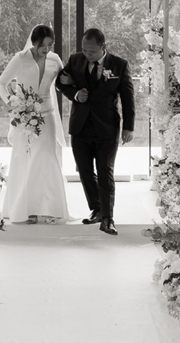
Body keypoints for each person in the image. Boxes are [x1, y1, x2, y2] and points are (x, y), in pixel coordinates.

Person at [56, 27, 134, 236]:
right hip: (80, 127)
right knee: (84, 170)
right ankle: (97, 209)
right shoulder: (75, 60)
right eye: (84, 49)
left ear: (103, 47)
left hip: (107, 128)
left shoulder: (119, 65)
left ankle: (108, 219)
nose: (87, 54)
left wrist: (128, 127)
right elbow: (59, 82)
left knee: (105, 171)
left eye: (91, 51)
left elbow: (128, 98)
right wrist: (75, 94)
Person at [0, 25, 69, 224]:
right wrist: (12, 103)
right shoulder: (20, 58)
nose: (46, 49)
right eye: (42, 45)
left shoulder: (55, 60)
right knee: (25, 159)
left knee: (47, 158)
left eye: (50, 44)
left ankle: (51, 209)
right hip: (24, 117)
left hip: (48, 115)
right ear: (34, 42)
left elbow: (63, 83)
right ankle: (27, 210)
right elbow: (1, 84)